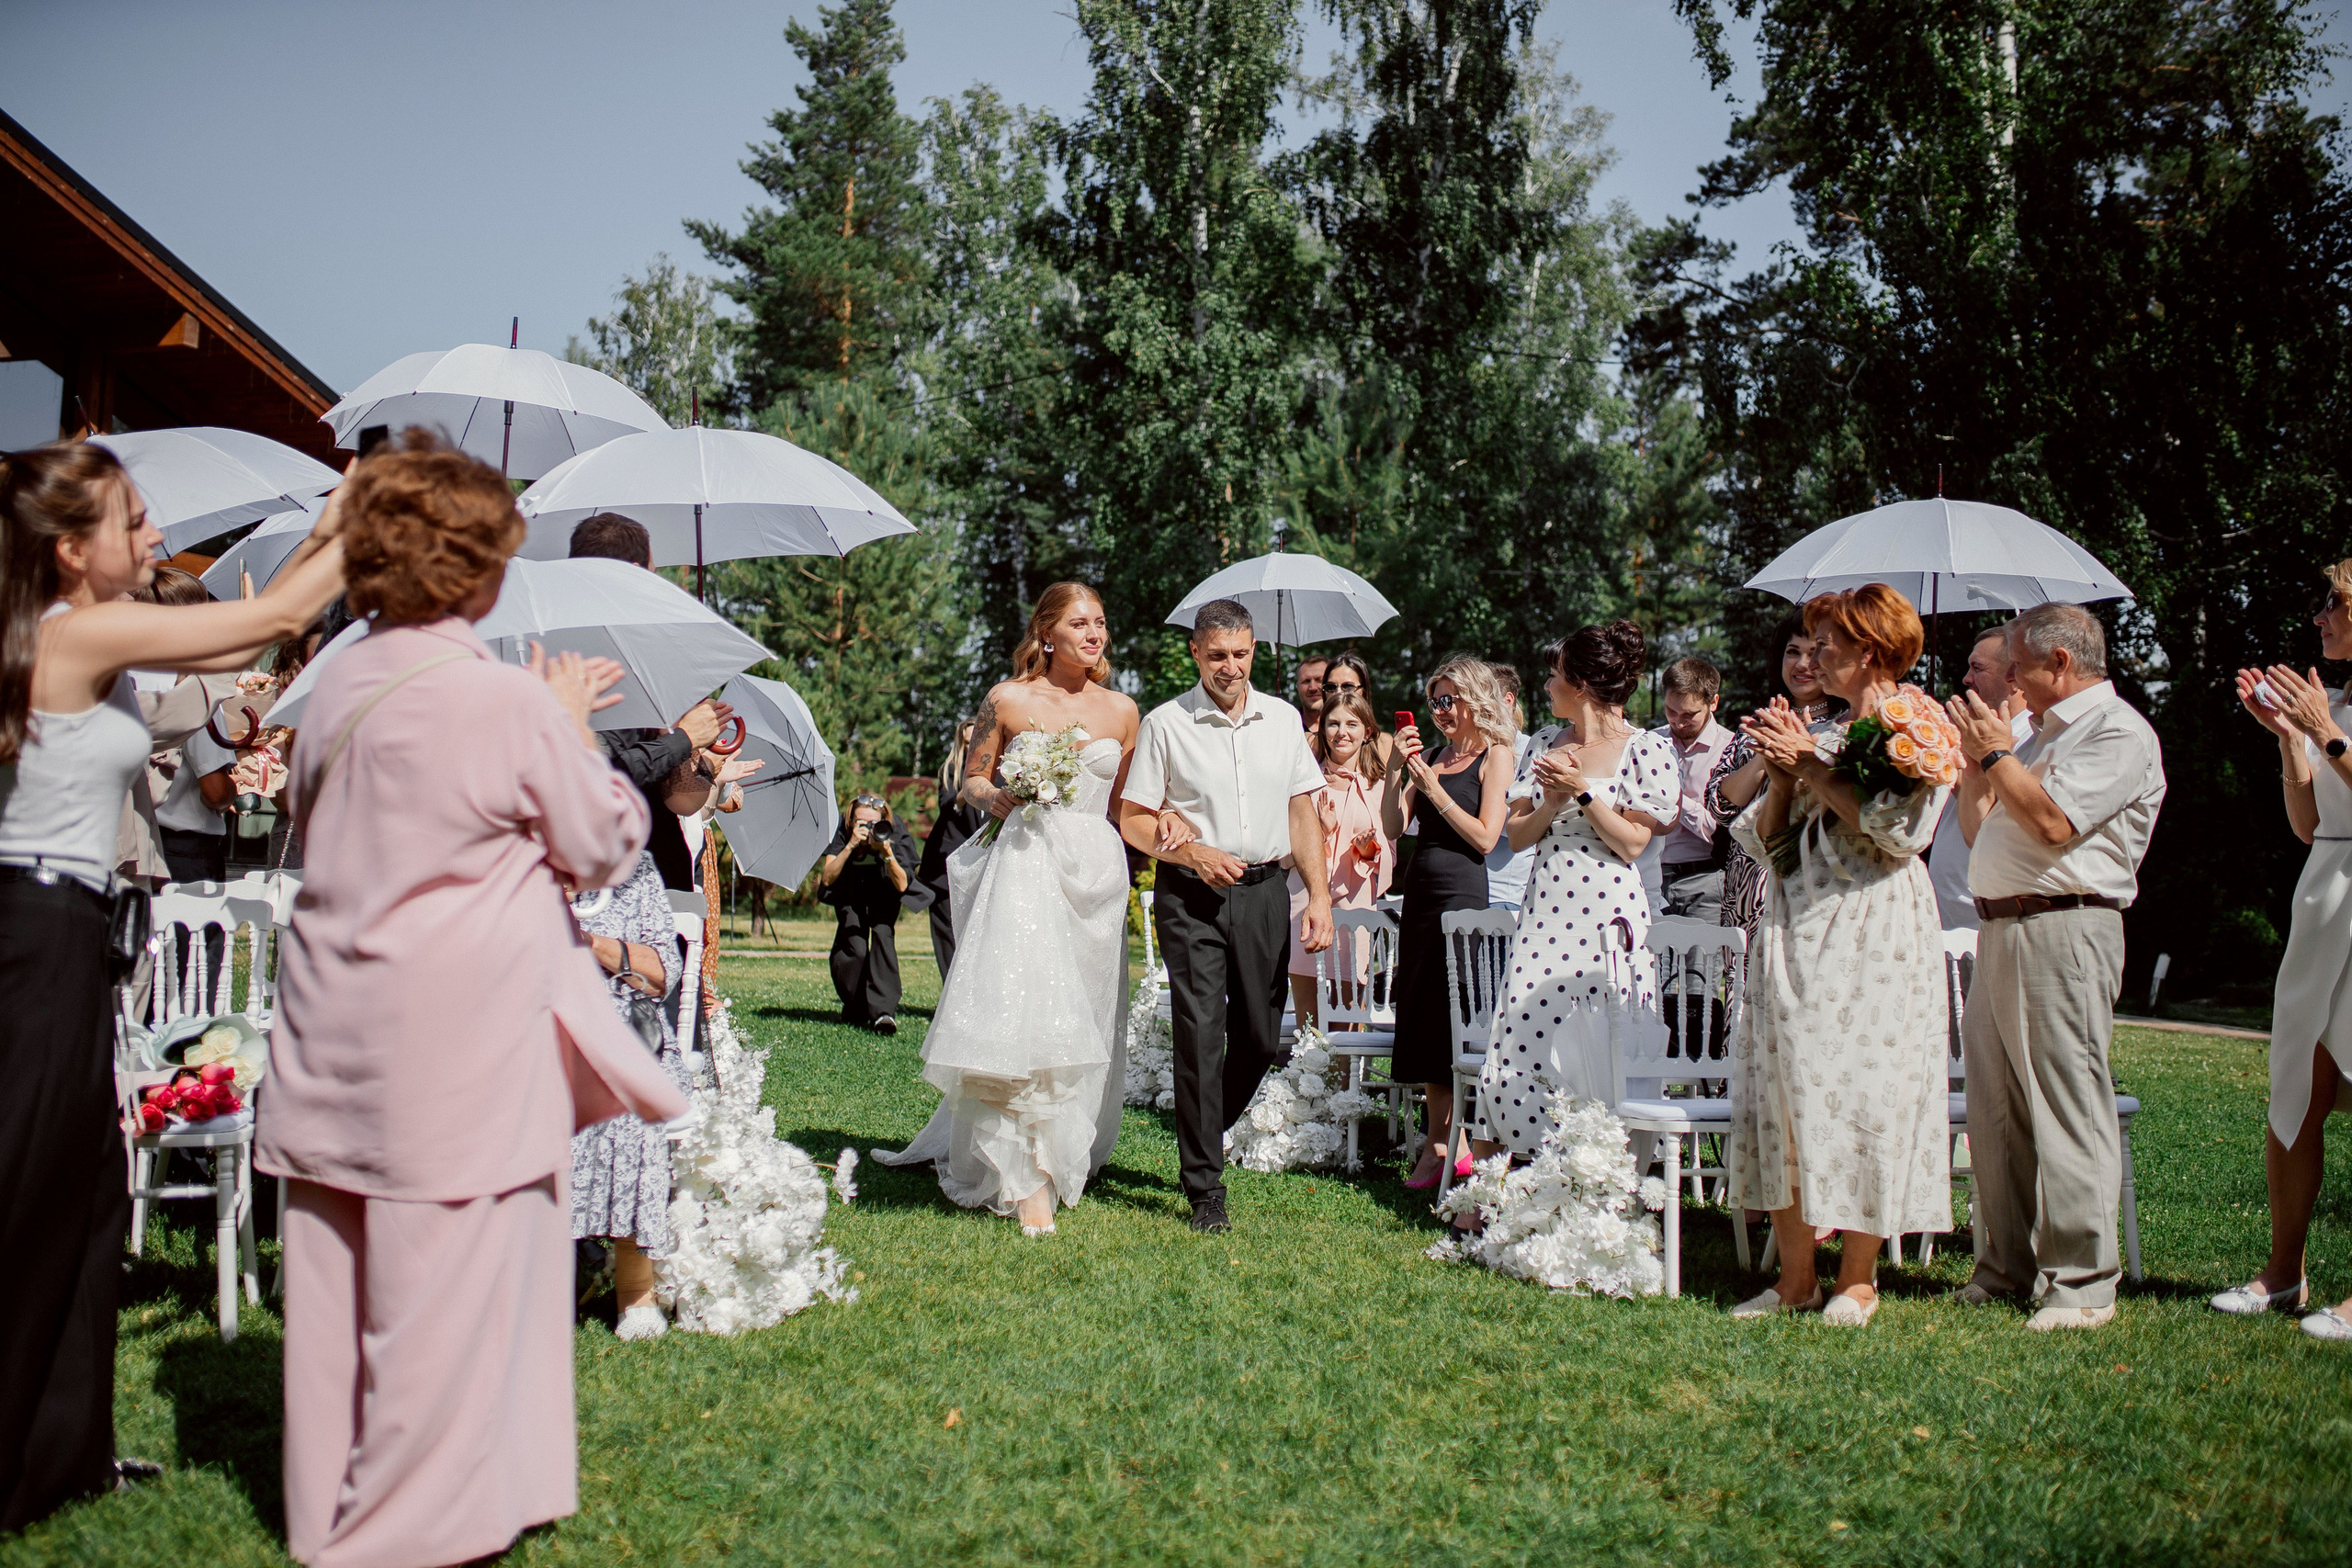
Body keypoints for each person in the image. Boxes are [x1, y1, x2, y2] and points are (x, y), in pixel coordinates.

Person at [257, 432, 684, 1568]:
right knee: (446, 1297)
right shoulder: (495, 706)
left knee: (340, 1288)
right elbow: (604, 843)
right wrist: (563, 726)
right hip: (454, 1039)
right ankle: (416, 1530)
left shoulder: (335, 681)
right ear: (480, 572)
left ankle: (350, 1502)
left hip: (329, 1023)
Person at [0, 439, 348, 1531]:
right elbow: (271, 619)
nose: (153, 537)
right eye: (134, 520)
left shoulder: (65, 639)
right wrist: (363, 519)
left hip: (73, 929)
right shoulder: (77, 630)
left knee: (89, 1195)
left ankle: (65, 1454)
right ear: (70, 551)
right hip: (37, 931)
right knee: (25, 1194)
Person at [876, 583, 1139, 1233]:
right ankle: (1027, 1182)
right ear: (1046, 632)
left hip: (1097, 877)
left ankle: (1066, 1148)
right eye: (1080, 622)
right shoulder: (1008, 698)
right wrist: (991, 794)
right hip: (1025, 864)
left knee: (1085, 1018)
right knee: (1030, 1013)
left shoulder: (1124, 710)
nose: (1094, 633)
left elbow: (1125, 808)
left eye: (1101, 622)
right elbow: (972, 774)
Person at [1725, 583, 1951, 1327]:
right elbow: (1774, 845)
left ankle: (1857, 1277)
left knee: (1862, 1091)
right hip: (1798, 914)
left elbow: (1899, 833)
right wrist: (1785, 776)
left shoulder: (1916, 725)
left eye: (1830, 643)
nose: (1814, 653)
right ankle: (1795, 1279)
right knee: (1787, 1086)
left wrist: (1813, 767)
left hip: (1873, 923)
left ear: (1874, 651)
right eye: (1814, 641)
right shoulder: (1821, 732)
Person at [1946, 603, 2165, 1332]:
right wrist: (1980, 764)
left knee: (2067, 1100)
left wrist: (1992, 754)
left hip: (2066, 924)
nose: (2008, 676)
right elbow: (1986, 833)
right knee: (1997, 1106)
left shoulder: (2118, 732)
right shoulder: (2034, 737)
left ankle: (2082, 1280)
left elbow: (2051, 824)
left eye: (2017, 663)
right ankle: (2003, 1266)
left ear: (2060, 662)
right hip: (2001, 926)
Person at [1118, 598, 1332, 1233]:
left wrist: (1318, 895)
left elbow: (1303, 814)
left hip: (1267, 891)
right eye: (1217, 655)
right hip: (1193, 898)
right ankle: (1204, 1185)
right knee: (1200, 1029)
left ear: (1253, 650)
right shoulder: (1165, 724)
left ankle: (1202, 1129)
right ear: (1195, 653)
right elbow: (1133, 818)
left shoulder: (1285, 719)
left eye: (1240, 654)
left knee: (1264, 1039)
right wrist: (1189, 850)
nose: (1229, 667)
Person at [1474, 624, 1677, 1161]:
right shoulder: (1542, 744)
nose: (1546, 684)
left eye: (1554, 675)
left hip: (1609, 916)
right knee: (1519, 1031)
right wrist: (1551, 800)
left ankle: (1602, 1169)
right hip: (1545, 911)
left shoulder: (1645, 748)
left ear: (1582, 684)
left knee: (1604, 1041)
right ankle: (1524, 1166)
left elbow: (1633, 843)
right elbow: (1516, 836)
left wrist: (1582, 793)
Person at [2221, 568, 2352, 1339]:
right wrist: (2290, 740)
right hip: (2325, 896)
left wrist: (2326, 735)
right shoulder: (2327, 705)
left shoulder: (2334, 716)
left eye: (2334, 602)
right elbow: (2308, 824)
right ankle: (2283, 1274)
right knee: (2295, 1091)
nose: (2320, 615)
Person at [1380, 657, 1512, 1190]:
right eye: (1434, 702)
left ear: (1476, 700)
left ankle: (1467, 1140)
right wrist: (1397, 770)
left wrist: (1435, 791)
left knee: (1459, 1016)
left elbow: (1485, 837)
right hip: (1420, 892)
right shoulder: (1429, 756)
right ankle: (1439, 1143)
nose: (1440, 712)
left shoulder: (1495, 756)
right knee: (1425, 1013)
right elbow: (1393, 826)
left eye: (1449, 700)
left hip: (1463, 894)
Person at [567, 513, 735, 891]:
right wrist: (683, 739)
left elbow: (679, 798)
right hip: (622, 876)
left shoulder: (628, 653)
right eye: (653, 569)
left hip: (645, 863)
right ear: (634, 571)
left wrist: (691, 746)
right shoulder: (592, 661)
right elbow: (607, 774)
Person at [566, 851, 688, 1342]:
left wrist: (586, 942)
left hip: (620, 1035)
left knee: (628, 1100)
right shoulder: (505, 858)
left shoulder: (632, 868)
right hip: (524, 1032)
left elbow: (663, 973)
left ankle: (635, 1292)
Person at [1704, 617, 1848, 939]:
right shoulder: (1756, 726)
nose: (1803, 664)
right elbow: (1719, 807)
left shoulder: (1844, 728)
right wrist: (1764, 752)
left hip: (1813, 882)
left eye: (1815, 652)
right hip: (1748, 889)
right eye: (1792, 652)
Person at [1286, 692, 1396, 1031]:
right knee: (1308, 1015)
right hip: (1305, 899)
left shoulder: (1378, 786)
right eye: (1333, 723)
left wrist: (1366, 851)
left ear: (1368, 732)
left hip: (1355, 902)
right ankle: (1307, 1081)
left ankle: (1345, 1084)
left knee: (1347, 1010)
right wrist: (1320, 829)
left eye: (1352, 723)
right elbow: (1285, 856)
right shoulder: (1304, 782)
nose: (1341, 732)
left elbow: (1389, 851)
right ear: (1322, 730)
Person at [1927, 626, 2031, 931]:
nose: (1966, 679)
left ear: (2013, 677)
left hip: (1988, 917)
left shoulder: (2027, 739)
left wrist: (1952, 768)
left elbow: (1998, 816)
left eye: (1978, 668)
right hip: (1947, 914)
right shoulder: (1970, 731)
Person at [818, 793, 919, 1033]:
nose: (868, 827)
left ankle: (883, 1012)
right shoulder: (843, 830)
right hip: (850, 889)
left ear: (884, 821)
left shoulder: (894, 831)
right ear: (851, 820)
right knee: (855, 945)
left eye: (874, 823)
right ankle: (856, 1006)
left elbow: (903, 884)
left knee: (883, 935)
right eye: (861, 822)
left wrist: (886, 852)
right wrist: (851, 845)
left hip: (884, 888)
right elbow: (827, 877)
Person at [1652, 658, 1734, 922]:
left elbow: (1724, 832)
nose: (1679, 722)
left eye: (1689, 715)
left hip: (1706, 883)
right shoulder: (1650, 744)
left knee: (1702, 965)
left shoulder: (1731, 750)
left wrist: (1674, 797)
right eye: (1671, 712)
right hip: (1651, 881)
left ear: (1714, 703)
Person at [917, 719, 987, 980]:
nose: (973, 748)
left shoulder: (999, 770)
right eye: (968, 743)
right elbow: (947, 806)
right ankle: (950, 991)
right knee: (946, 931)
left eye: (977, 741)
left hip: (979, 861)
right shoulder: (950, 770)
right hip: (943, 862)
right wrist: (967, 789)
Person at [1483, 663, 1544, 915]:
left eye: (1483, 699)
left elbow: (1521, 824)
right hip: (1465, 887)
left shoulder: (1533, 750)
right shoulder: (1464, 751)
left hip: (1508, 895)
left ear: (1508, 700)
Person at [1296, 654, 1329, 735]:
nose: (1312, 688)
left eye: (1319, 680)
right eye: (1306, 681)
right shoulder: (1289, 726)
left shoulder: (1345, 727)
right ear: (1297, 687)